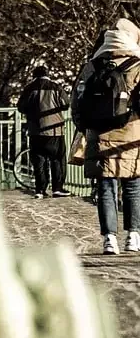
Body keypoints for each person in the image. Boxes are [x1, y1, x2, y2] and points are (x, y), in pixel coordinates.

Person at [78, 19, 140, 255]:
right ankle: (133, 236)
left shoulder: (92, 66)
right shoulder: (138, 64)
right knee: (133, 186)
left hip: (99, 134)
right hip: (132, 133)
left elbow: (77, 102)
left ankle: (109, 239)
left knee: (106, 187)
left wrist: (85, 128)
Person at [17, 62, 70, 196]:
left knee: (38, 160)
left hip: (35, 130)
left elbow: (21, 107)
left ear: (34, 76)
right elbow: (66, 104)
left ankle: (40, 189)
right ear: (47, 75)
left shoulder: (29, 88)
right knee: (57, 159)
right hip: (54, 130)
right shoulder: (56, 87)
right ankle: (57, 188)